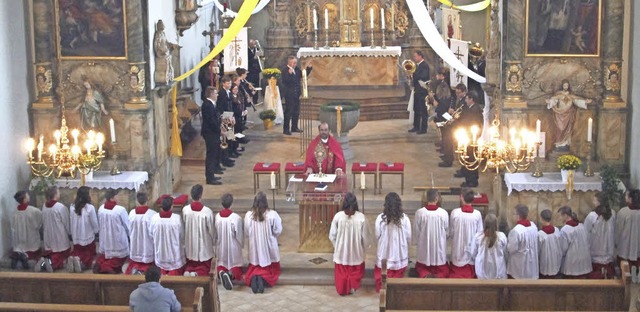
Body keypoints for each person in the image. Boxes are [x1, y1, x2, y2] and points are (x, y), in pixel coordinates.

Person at [329, 192, 371, 295]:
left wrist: (337, 247)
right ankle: (351, 287)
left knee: (342, 273)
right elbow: (366, 237)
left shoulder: (338, 216)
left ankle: (343, 289)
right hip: (356, 251)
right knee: (355, 270)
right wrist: (364, 248)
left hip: (341, 253)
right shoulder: (361, 217)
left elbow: (332, 236)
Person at [245, 192, 282, 294]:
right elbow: (278, 231)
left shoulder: (248, 216)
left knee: (254, 266)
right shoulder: (272, 215)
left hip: (255, 248)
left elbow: (247, 232)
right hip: (269, 248)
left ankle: (254, 277)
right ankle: (261, 278)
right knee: (272, 269)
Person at [374, 192, 410, 292]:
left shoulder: (380, 219)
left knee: (383, 273)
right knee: (398, 275)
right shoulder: (405, 219)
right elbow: (408, 237)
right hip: (399, 254)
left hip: (385, 253)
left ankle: (383, 291)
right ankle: (396, 291)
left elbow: (377, 235)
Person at [545, 79, 591, 151]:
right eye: (564, 85)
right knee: (559, 129)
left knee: (568, 129)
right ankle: (559, 143)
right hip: (559, 115)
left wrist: (585, 102)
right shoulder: (559, 94)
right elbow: (554, 100)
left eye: (567, 85)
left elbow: (577, 101)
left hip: (568, 115)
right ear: (562, 86)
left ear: (568, 86)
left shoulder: (571, 95)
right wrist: (549, 102)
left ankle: (565, 143)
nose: (566, 86)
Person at [414, 189, 450, 278]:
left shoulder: (420, 213)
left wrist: (422, 240)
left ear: (426, 199)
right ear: (437, 198)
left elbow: (416, 231)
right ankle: (438, 276)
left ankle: (425, 274)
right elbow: (447, 232)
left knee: (421, 267)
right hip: (439, 248)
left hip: (424, 246)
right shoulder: (443, 213)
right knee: (443, 269)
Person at [182, 184, 216, 277]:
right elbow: (211, 229)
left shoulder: (185, 210)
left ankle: (188, 271)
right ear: (201, 195)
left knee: (191, 262)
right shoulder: (207, 211)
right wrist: (214, 240)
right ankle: (196, 273)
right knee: (205, 265)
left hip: (190, 243)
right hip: (203, 244)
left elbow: (185, 223)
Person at [448, 189, 483, 278]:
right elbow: (479, 234)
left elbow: (451, 232)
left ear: (461, 198)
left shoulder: (455, 213)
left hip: (458, 247)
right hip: (471, 247)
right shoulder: (477, 214)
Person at [95, 189, 131, 274]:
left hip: (105, 239)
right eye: (117, 196)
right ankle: (106, 267)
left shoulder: (101, 208)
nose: (118, 198)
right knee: (119, 258)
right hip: (117, 240)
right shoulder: (120, 210)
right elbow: (127, 225)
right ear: (112, 198)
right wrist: (129, 236)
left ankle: (100, 265)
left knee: (105, 256)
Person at [150, 196, 186, 275]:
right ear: (172, 207)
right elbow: (182, 235)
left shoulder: (154, 218)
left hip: (160, 253)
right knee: (175, 269)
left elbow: (151, 234)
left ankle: (164, 274)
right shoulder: (177, 218)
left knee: (161, 267)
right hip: (173, 253)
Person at [215, 193, 244, 290]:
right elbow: (239, 235)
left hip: (221, 244)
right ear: (232, 203)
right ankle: (230, 274)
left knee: (222, 263)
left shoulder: (217, 216)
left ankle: (222, 273)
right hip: (233, 246)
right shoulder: (236, 218)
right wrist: (241, 244)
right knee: (235, 266)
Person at [584, 192, 616, 279]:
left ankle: (600, 273)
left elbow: (586, 232)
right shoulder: (612, 213)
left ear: (599, 202)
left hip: (596, 246)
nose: (593, 202)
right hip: (608, 246)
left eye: (594, 200)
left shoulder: (592, 216)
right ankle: (606, 272)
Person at [40, 186, 72, 272]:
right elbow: (66, 221)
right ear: (55, 195)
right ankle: (50, 264)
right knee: (61, 254)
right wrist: (69, 232)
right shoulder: (60, 207)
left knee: (51, 251)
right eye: (58, 192)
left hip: (48, 234)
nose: (59, 194)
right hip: (59, 235)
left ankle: (44, 263)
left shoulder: (44, 205)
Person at [465, 214, 507, 279]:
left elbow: (473, 253)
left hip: (482, 274)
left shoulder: (478, 237)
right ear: (496, 224)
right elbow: (504, 252)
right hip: (498, 273)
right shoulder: (501, 236)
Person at [69, 186, 99, 272]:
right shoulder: (90, 208)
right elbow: (94, 223)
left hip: (76, 236)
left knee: (77, 250)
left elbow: (71, 220)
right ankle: (81, 263)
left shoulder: (72, 207)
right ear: (87, 196)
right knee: (89, 254)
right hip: (87, 236)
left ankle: (75, 259)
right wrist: (96, 231)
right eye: (90, 193)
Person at [10, 190, 42, 270]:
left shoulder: (14, 212)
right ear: (24, 200)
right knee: (35, 250)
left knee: (18, 248)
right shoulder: (34, 211)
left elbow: (13, 226)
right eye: (27, 195)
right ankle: (25, 256)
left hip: (19, 241)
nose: (29, 196)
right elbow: (38, 225)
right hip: (31, 240)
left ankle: (18, 255)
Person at [126, 192, 157, 275]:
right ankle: (143, 270)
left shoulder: (131, 213)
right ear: (147, 200)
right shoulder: (152, 214)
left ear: (137, 201)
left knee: (135, 260)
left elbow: (129, 229)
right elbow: (153, 232)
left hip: (135, 243)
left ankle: (137, 269)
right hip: (147, 244)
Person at [281, 55, 312, 135]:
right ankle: (286, 129)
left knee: (296, 111)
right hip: (289, 94)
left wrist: (308, 68)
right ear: (289, 62)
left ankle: (294, 127)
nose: (295, 64)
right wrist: (289, 74)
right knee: (289, 112)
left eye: (295, 63)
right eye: (294, 63)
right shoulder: (285, 70)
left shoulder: (296, 69)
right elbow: (285, 81)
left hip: (297, 94)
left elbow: (302, 76)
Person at [458, 91, 483, 187]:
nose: (465, 100)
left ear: (471, 99)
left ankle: (472, 181)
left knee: (471, 158)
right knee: (467, 157)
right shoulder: (469, 108)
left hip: (472, 138)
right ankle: (468, 179)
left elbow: (471, 122)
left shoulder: (475, 109)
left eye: (467, 98)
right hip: (467, 137)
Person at [558, 206, 592, 278]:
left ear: (565, 216)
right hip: (584, 260)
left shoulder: (565, 230)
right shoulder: (581, 226)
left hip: (572, 263)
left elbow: (563, 248)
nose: (559, 218)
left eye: (560, 216)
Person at [507, 204, 539, 279]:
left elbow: (511, 249)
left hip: (520, 264)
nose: (513, 216)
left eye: (513, 214)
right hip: (532, 262)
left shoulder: (516, 231)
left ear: (518, 216)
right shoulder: (533, 226)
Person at [201, 86, 223, 185]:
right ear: (212, 94)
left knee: (214, 154)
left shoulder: (211, 104)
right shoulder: (207, 105)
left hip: (213, 132)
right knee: (211, 155)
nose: (217, 95)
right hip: (210, 133)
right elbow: (211, 121)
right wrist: (219, 129)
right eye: (216, 93)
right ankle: (209, 178)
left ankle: (212, 174)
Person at [616, 189, 640, 269]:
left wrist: (616, 242)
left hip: (625, 244)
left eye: (626, 195)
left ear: (630, 199)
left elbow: (618, 230)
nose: (625, 197)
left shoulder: (623, 212)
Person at [408, 50, 430, 134]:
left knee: (423, 110)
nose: (414, 58)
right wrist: (411, 75)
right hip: (417, 90)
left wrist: (413, 74)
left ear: (420, 56)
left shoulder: (425, 65)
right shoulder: (417, 66)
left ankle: (423, 129)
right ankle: (416, 126)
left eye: (415, 56)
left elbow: (423, 76)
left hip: (422, 91)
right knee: (416, 109)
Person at [537, 209, 563, 278]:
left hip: (545, 260)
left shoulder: (540, 234)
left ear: (541, 218)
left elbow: (538, 250)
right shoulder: (556, 230)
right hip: (555, 258)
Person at [153, 19, 177, 85]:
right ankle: (162, 78)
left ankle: (168, 76)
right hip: (161, 53)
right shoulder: (158, 34)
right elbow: (156, 44)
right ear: (159, 26)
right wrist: (159, 51)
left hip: (166, 52)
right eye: (162, 25)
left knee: (169, 61)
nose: (164, 26)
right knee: (165, 63)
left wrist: (171, 45)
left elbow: (166, 42)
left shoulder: (163, 33)